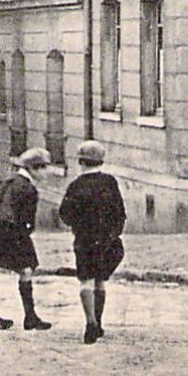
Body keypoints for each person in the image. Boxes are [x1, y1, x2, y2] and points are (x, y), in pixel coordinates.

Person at [59, 140, 127, 344]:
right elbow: (120, 213)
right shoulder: (110, 183)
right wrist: (113, 234)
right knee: (100, 281)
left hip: (84, 240)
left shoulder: (76, 186)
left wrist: (78, 226)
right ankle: (99, 321)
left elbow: (65, 214)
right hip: (106, 240)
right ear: (101, 161)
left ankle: (90, 322)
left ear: (81, 161)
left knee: (86, 280)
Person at [0, 147, 53, 331]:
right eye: (44, 168)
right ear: (33, 168)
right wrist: (25, 235)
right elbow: (27, 221)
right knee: (26, 271)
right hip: (11, 232)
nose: (47, 172)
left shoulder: (5, 181)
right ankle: (30, 317)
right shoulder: (28, 189)